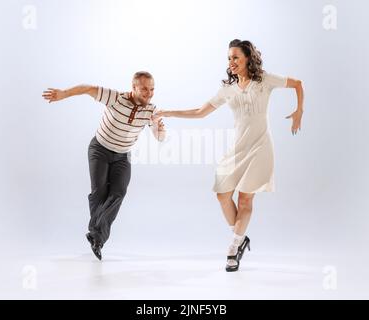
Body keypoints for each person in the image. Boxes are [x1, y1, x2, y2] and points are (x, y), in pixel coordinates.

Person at [153, 40, 304, 272]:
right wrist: (169, 113)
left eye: (235, 57)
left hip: (260, 148)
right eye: (229, 58)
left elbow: (297, 83)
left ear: (247, 58)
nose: (231, 62)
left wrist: (299, 112)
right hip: (237, 149)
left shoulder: (264, 80)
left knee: (245, 200)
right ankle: (240, 236)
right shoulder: (227, 90)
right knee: (223, 195)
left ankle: (233, 249)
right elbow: (200, 112)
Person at [42, 71, 166, 260]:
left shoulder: (151, 110)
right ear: (133, 88)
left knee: (118, 192)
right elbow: (88, 89)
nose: (149, 93)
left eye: (152, 89)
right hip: (100, 149)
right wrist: (63, 94)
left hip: (123, 156)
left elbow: (160, 137)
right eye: (144, 89)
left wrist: (159, 129)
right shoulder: (116, 98)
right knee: (99, 194)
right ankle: (97, 236)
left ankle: (96, 236)